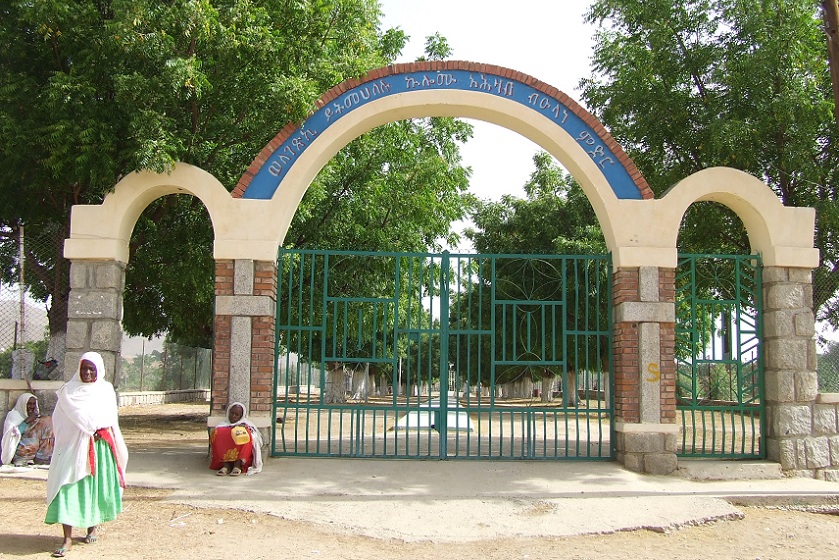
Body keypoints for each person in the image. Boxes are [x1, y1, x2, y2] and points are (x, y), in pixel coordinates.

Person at [44, 352, 129, 558]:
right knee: (67, 486)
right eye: (84, 368)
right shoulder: (68, 392)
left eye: (91, 368)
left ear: (98, 370)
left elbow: (108, 419)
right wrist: (82, 431)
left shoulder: (105, 390)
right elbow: (60, 421)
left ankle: (92, 527)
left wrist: (97, 431)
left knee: (95, 489)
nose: (88, 372)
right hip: (74, 447)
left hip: (100, 447)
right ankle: (67, 538)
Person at [209, 401, 263, 476]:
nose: (233, 416)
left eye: (237, 415)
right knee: (217, 433)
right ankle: (226, 465)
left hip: (239, 455)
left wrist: (244, 429)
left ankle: (237, 465)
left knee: (246, 434)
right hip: (225, 455)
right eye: (232, 413)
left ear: (241, 416)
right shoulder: (222, 425)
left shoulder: (247, 425)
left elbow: (254, 438)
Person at [2, 392, 54, 467]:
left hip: (34, 449)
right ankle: (23, 459)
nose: (31, 406)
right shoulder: (14, 415)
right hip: (20, 451)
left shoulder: (35, 416)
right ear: (23, 404)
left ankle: (42, 457)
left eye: (33, 404)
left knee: (47, 420)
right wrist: (26, 422)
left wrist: (37, 421)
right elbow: (12, 436)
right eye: (29, 404)